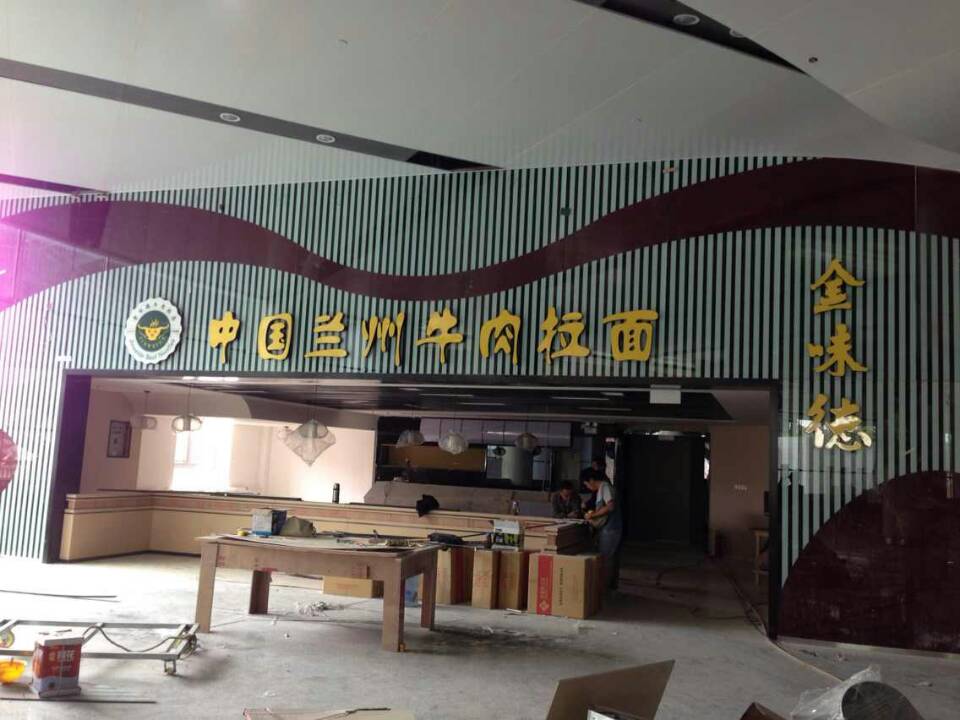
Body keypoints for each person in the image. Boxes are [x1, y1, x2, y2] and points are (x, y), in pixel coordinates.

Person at [584, 471, 622, 590]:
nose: (588, 487)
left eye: (587, 484)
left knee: (606, 558)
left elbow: (610, 506)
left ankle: (605, 588)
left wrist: (593, 515)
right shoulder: (601, 489)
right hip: (609, 528)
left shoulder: (605, 487)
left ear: (591, 480)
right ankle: (610, 586)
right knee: (609, 557)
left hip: (610, 529)